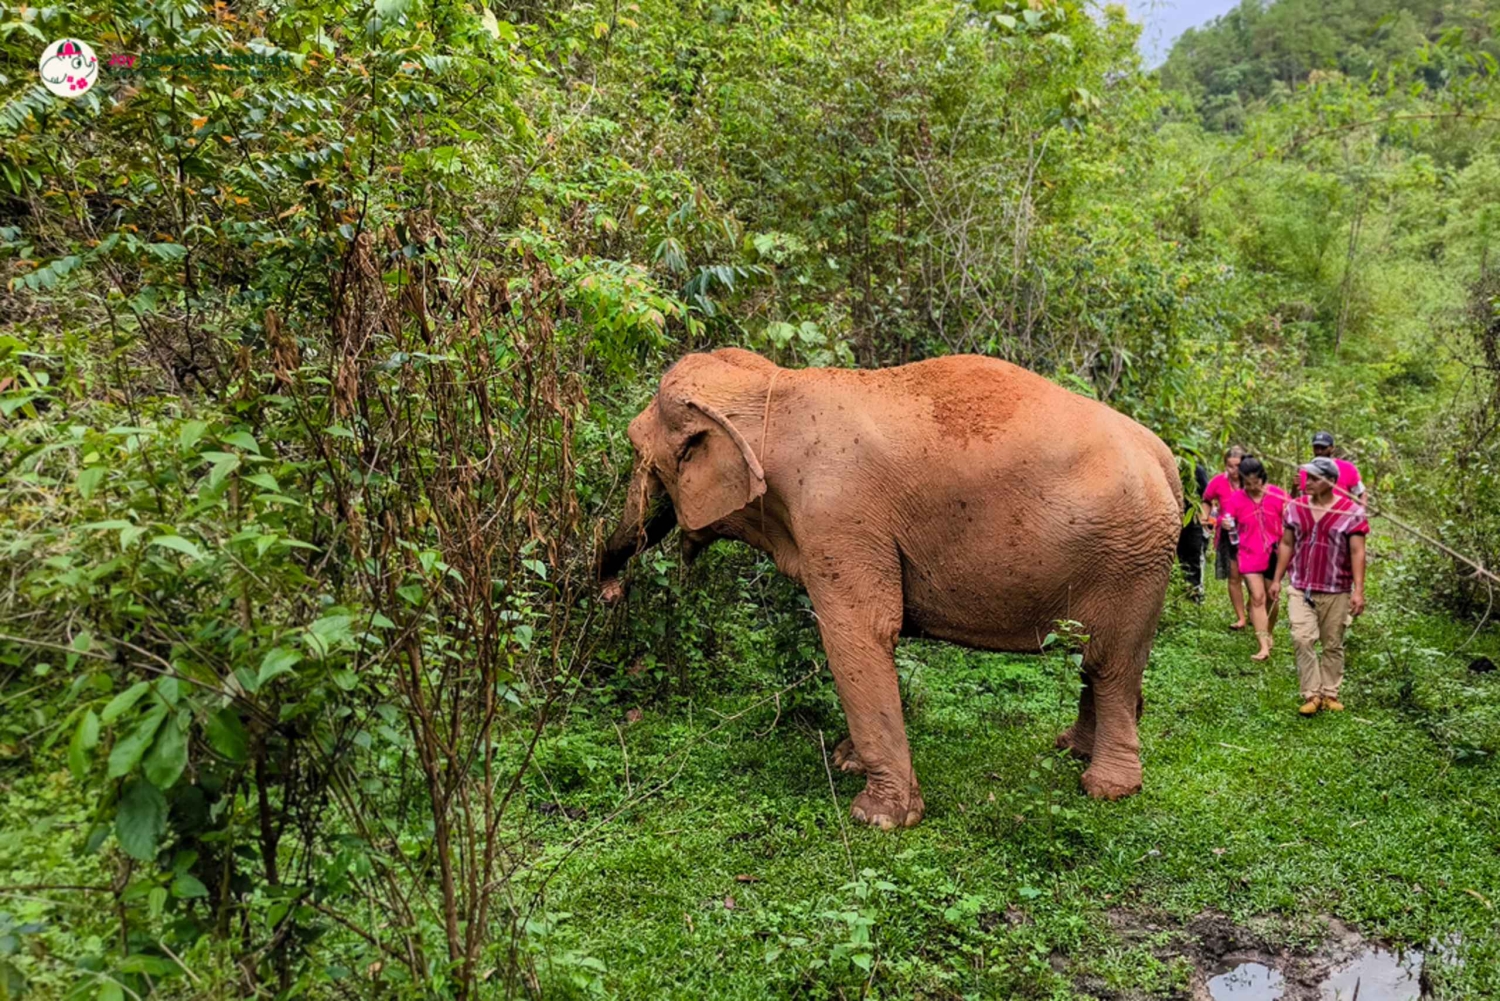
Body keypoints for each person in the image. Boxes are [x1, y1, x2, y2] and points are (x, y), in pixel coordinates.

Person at [1269, 457, 1369, 716]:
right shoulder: (1294, 508)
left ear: (1331, 482)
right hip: (1301, 586)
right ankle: (1311, 693)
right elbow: (1287, 544)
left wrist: (1358, 590)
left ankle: (1330, 693)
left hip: (1336, 588)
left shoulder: (1351, 512)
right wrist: (1278, 579)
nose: (1308, 482)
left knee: (1332, 642)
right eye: (1307, 477)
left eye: (1314, 478)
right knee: (1301, 638)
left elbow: (1357, 551)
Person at [1222, 457, 1289, 661]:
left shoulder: (1278, 495)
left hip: (1274, 552)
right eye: (1247, 484)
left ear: (1263, 478)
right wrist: (1224, 522)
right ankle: (1262, 646)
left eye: (1256, 483)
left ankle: (1269, 631)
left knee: (1271, 597)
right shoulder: (1237, 499)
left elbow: (1292, 516)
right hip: (1248, 553)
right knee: (1257, 597)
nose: (1252, 487)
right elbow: (1226, 516)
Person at [1202, 445, 1248, 630]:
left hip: (1251, 535)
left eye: (1238, 466)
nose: (1234, 471)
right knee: (1234, 577)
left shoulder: (1252, 481)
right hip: (1229, 535)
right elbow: (1206, 500)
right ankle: (1241, 617)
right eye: (1230, 466)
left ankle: (1254, 607)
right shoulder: (1218, 482)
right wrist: (1205, 518)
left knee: (1253, 576)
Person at [1175, 456, 1211, 602]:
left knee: (1193, 559)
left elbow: (1206, 497)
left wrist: (1202, 519)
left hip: (1192, 521)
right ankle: (1179, 593)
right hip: (1173, 518)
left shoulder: (1196, 470)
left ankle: (1194, 595)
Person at [1296, 431, 1364, 499]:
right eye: (1316, 448)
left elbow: (1362, 493)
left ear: (1332, 448)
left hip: (1340, 508)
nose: (1319, 451)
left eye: (1323, 448)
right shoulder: (1305, 469)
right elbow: (1298, 499)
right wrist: (1294, 488)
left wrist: (1361, 509)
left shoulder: (1347, 468)